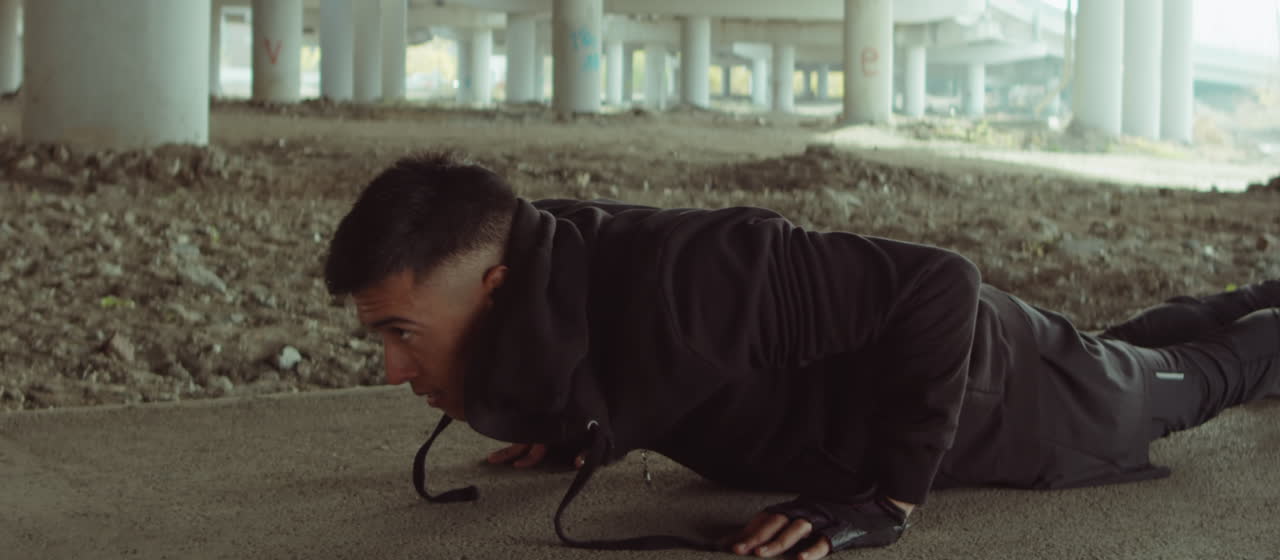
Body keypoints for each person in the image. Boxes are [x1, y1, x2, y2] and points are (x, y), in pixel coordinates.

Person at [324, 153, 1280, 559]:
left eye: (403, 335)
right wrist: (579, 425)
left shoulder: (689, 278)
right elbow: (624, 362)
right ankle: (1251, 292)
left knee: (1195, 382)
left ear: (492, 291)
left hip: (1012, 397)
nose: (393, 371)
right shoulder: (544, 268)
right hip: (1019, 356)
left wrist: (887, 500)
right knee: (1122, 351)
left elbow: (938, 284)